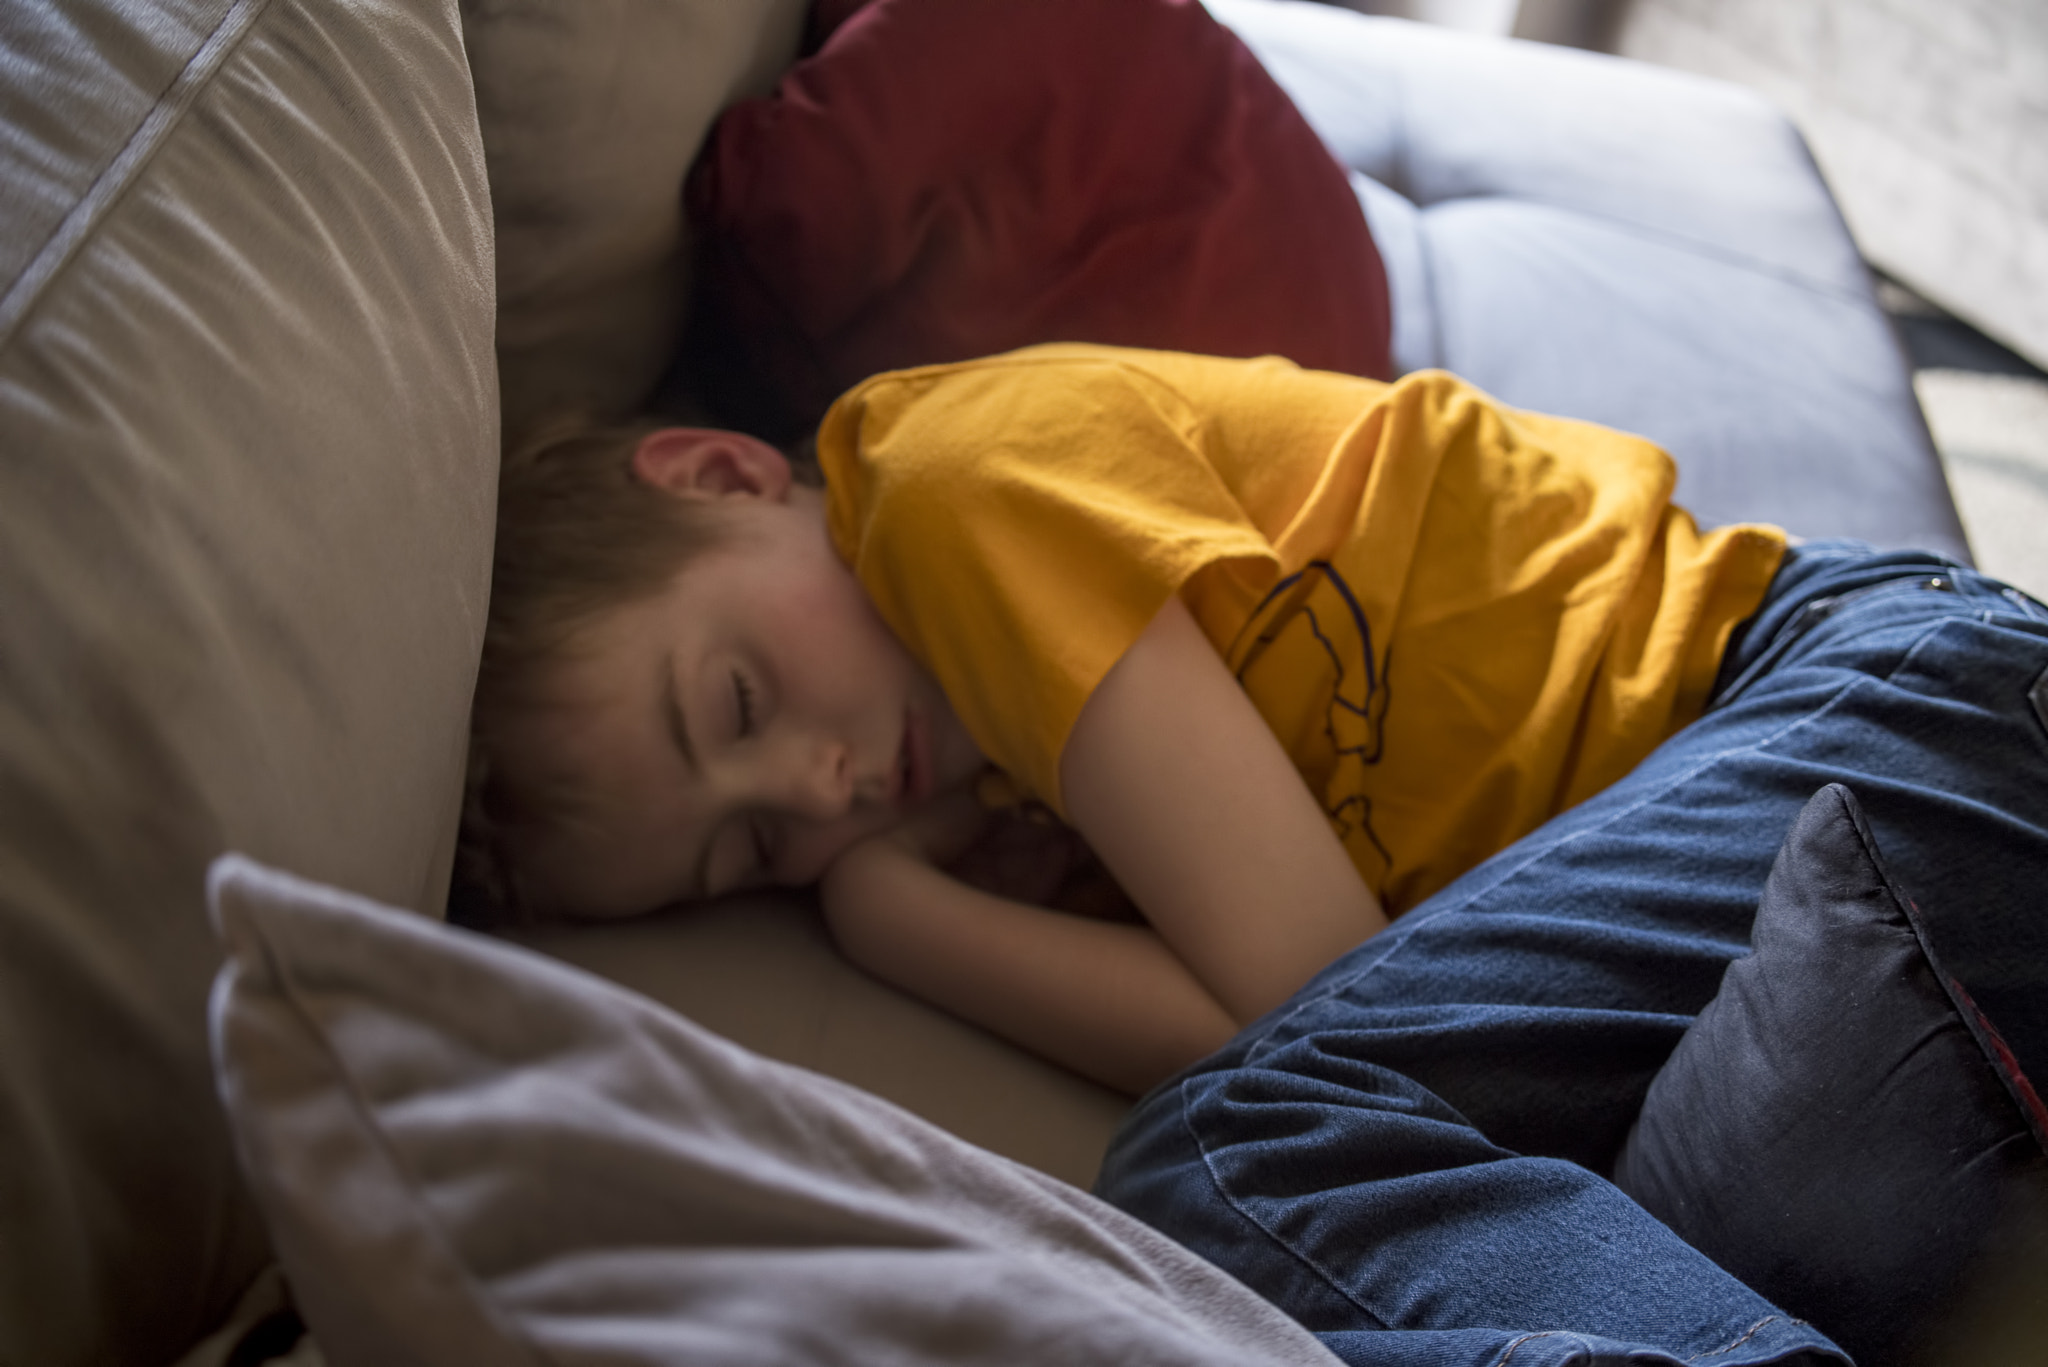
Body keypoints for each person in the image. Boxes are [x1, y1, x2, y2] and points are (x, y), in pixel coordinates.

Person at [460, 342, 1787, 1095]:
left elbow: (1330, 1020)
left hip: (1776, 709)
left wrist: (894, 923)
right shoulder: (1004, 791)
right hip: (1672, 851)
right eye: (750, 850)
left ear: (720, 476)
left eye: (735, 703)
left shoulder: (947, 497)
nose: (822, 792)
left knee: (1232, 1169)